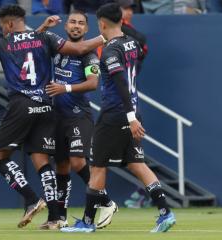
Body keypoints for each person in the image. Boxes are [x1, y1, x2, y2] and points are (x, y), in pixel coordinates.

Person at [0, 4, 105, 230]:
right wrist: (106, 36)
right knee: (41, 160)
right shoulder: (44, 37)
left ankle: (30, 198)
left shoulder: (1, 43)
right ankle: (56, 217)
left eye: (2, 26)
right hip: (47, 107)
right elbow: (77, 48)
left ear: (8, 24)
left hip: (21, 105)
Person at [61, 3, 176, 233]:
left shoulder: (112, 50)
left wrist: (130, 117)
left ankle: (87, 222)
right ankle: (165, 213)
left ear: (102, 23)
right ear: (122, 21)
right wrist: (133, 115)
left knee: (97, 167)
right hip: (132, 110)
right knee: (137, 164)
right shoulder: (131, 43)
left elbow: (121, 82)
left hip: (115, 114)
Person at [42, 10, 100, 227]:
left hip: (78, 116)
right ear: (66, 27)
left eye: (81, 23)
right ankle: (60, 217)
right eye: (73, 22)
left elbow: (93, 83)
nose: (76, 26)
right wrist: (45, 27)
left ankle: (104, 200)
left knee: (77, 162)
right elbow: (34, 41)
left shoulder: (89, 55)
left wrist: (64, 88)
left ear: (86, 29)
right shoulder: (56, 48)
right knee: (62, 167)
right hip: (56, 118)